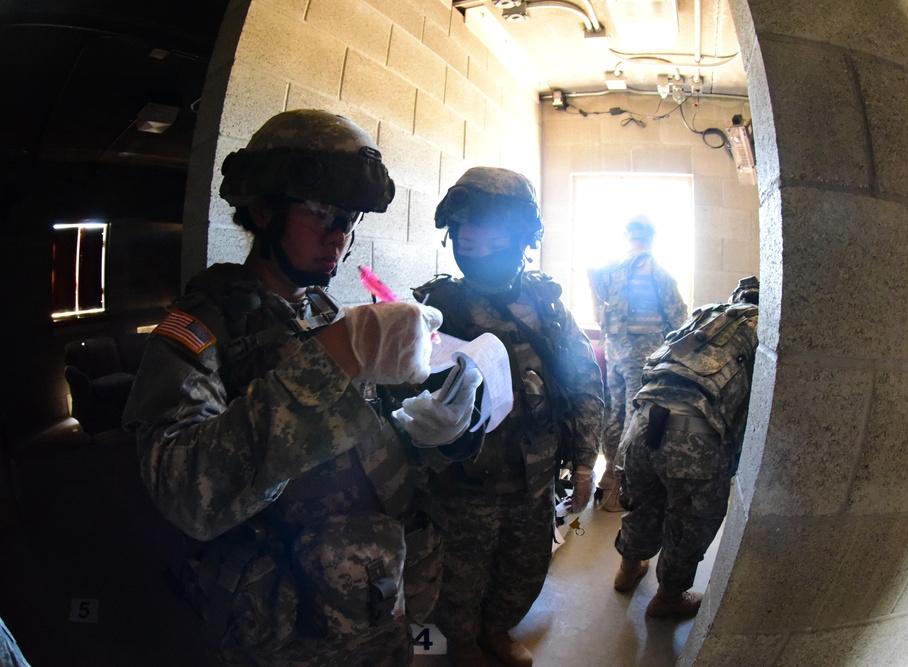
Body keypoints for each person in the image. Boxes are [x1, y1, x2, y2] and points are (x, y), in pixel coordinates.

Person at [122, 109, 484, 666]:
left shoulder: (325, 313)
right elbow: (185, 489)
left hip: (377, 598)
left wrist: (431, 431)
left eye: (350, 219)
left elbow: (373, 439)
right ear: (263, 210)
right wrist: (339, 356)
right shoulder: (199, 329)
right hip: (291, 629)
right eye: (321, 215)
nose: (340, 236)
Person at [412, 167, 604, 667]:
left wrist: (584, 461)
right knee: (460, 577)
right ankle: (464, 643)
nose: (470, 244)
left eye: (486, 237)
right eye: (461, 236)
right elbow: (405, 400)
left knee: (523, 570)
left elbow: (582, 380)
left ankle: (494, 629)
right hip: (464, 483)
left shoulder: (545, 306)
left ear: (521, 241)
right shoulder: (438, 307)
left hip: (535, 476)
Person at [611, 276, 759, 617]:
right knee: (690, 520)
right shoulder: (760, 328)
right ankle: (668, 599)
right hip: (693, 435)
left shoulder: (709, 314)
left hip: (643, 419)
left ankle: (628, 568)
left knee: (643, 504)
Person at [587, 215, 687, 511]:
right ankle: (621, 482)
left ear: (628, 236)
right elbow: (678, 317)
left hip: (615, 350)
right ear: (651, 238)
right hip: (643, 352)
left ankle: (607, 473)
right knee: (636, 414)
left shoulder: (612, 268)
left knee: (616, 410)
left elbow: (597, 298)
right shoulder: (655, 270)